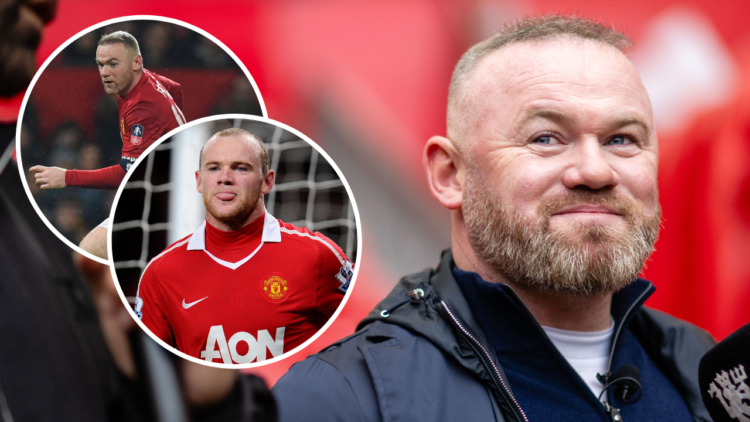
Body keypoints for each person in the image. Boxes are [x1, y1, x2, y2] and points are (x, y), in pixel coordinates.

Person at [272, 15, 715, 422]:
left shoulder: (706, 371)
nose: (596, 171)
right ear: (450, 174)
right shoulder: (342, 398)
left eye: (622, 139)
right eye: (546, 138)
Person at [135, 128, 352, 364]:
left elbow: (363, 331)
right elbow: (151, 371)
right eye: (214, 167)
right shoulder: (160, 273)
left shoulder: (317, 255)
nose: (224, 178)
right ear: (199, 181)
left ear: (267, 182)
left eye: (240, 168)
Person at [30, 30, 185, 190]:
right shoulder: (143, 77)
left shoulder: (142, 109)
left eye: (113, 64)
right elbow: (175, 89)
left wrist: (67, 177)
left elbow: (127, 174)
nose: (104, 73)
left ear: (136, 63)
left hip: (175, 184)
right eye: (100, 64)